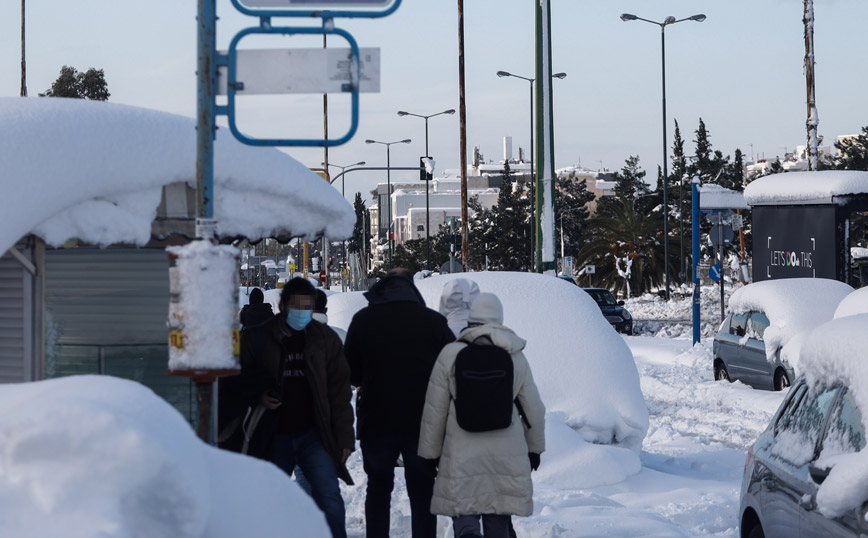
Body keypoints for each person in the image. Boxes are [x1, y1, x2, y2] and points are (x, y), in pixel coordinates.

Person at [418, 293, 546, 538]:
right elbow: (534, 410)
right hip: (505, 454)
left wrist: (430, 454)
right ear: (499, 318)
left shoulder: (450, 355)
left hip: (460, 454)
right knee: (497, 517)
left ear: (471, 319)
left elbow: (434, 409)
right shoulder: (515, 356)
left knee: (464, 516)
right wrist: (534, 449)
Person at [236, 277, 355, 538]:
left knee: (329, 499)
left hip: (314, 433)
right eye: (296, 307)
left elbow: (339, 391)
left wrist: (344, 437)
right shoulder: (259, 338)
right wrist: (259, 395)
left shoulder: (325, 339)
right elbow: (239, 379)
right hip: (272, 433)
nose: (301, 314)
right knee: (269, 499)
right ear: (283, 306)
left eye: (306, 307)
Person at [344, 267, 455, 538]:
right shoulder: (433, 322)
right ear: (412, 290)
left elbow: (351, 372)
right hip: (422, 420)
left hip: (377, 419)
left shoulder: (363, 320)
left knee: (378, 488)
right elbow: (451, 369)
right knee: (422, 490)